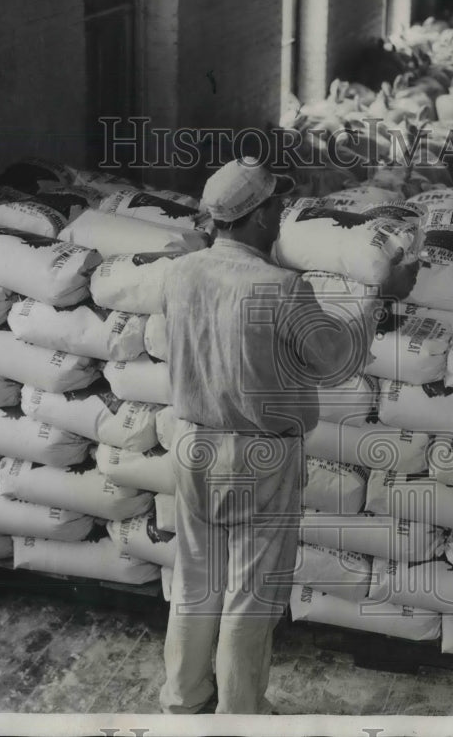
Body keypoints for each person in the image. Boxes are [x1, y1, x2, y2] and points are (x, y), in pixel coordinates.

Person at [156, 157, 416, 715]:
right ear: (256, 217)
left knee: (196, 577)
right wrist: (382, 298)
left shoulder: (179, 272)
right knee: (251, 594)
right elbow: (335, 360)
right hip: (258, 455)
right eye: (275, 204)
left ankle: (182, 697)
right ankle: (239, 717)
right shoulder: (282, 288)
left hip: (191, 441)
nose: (281, 213)